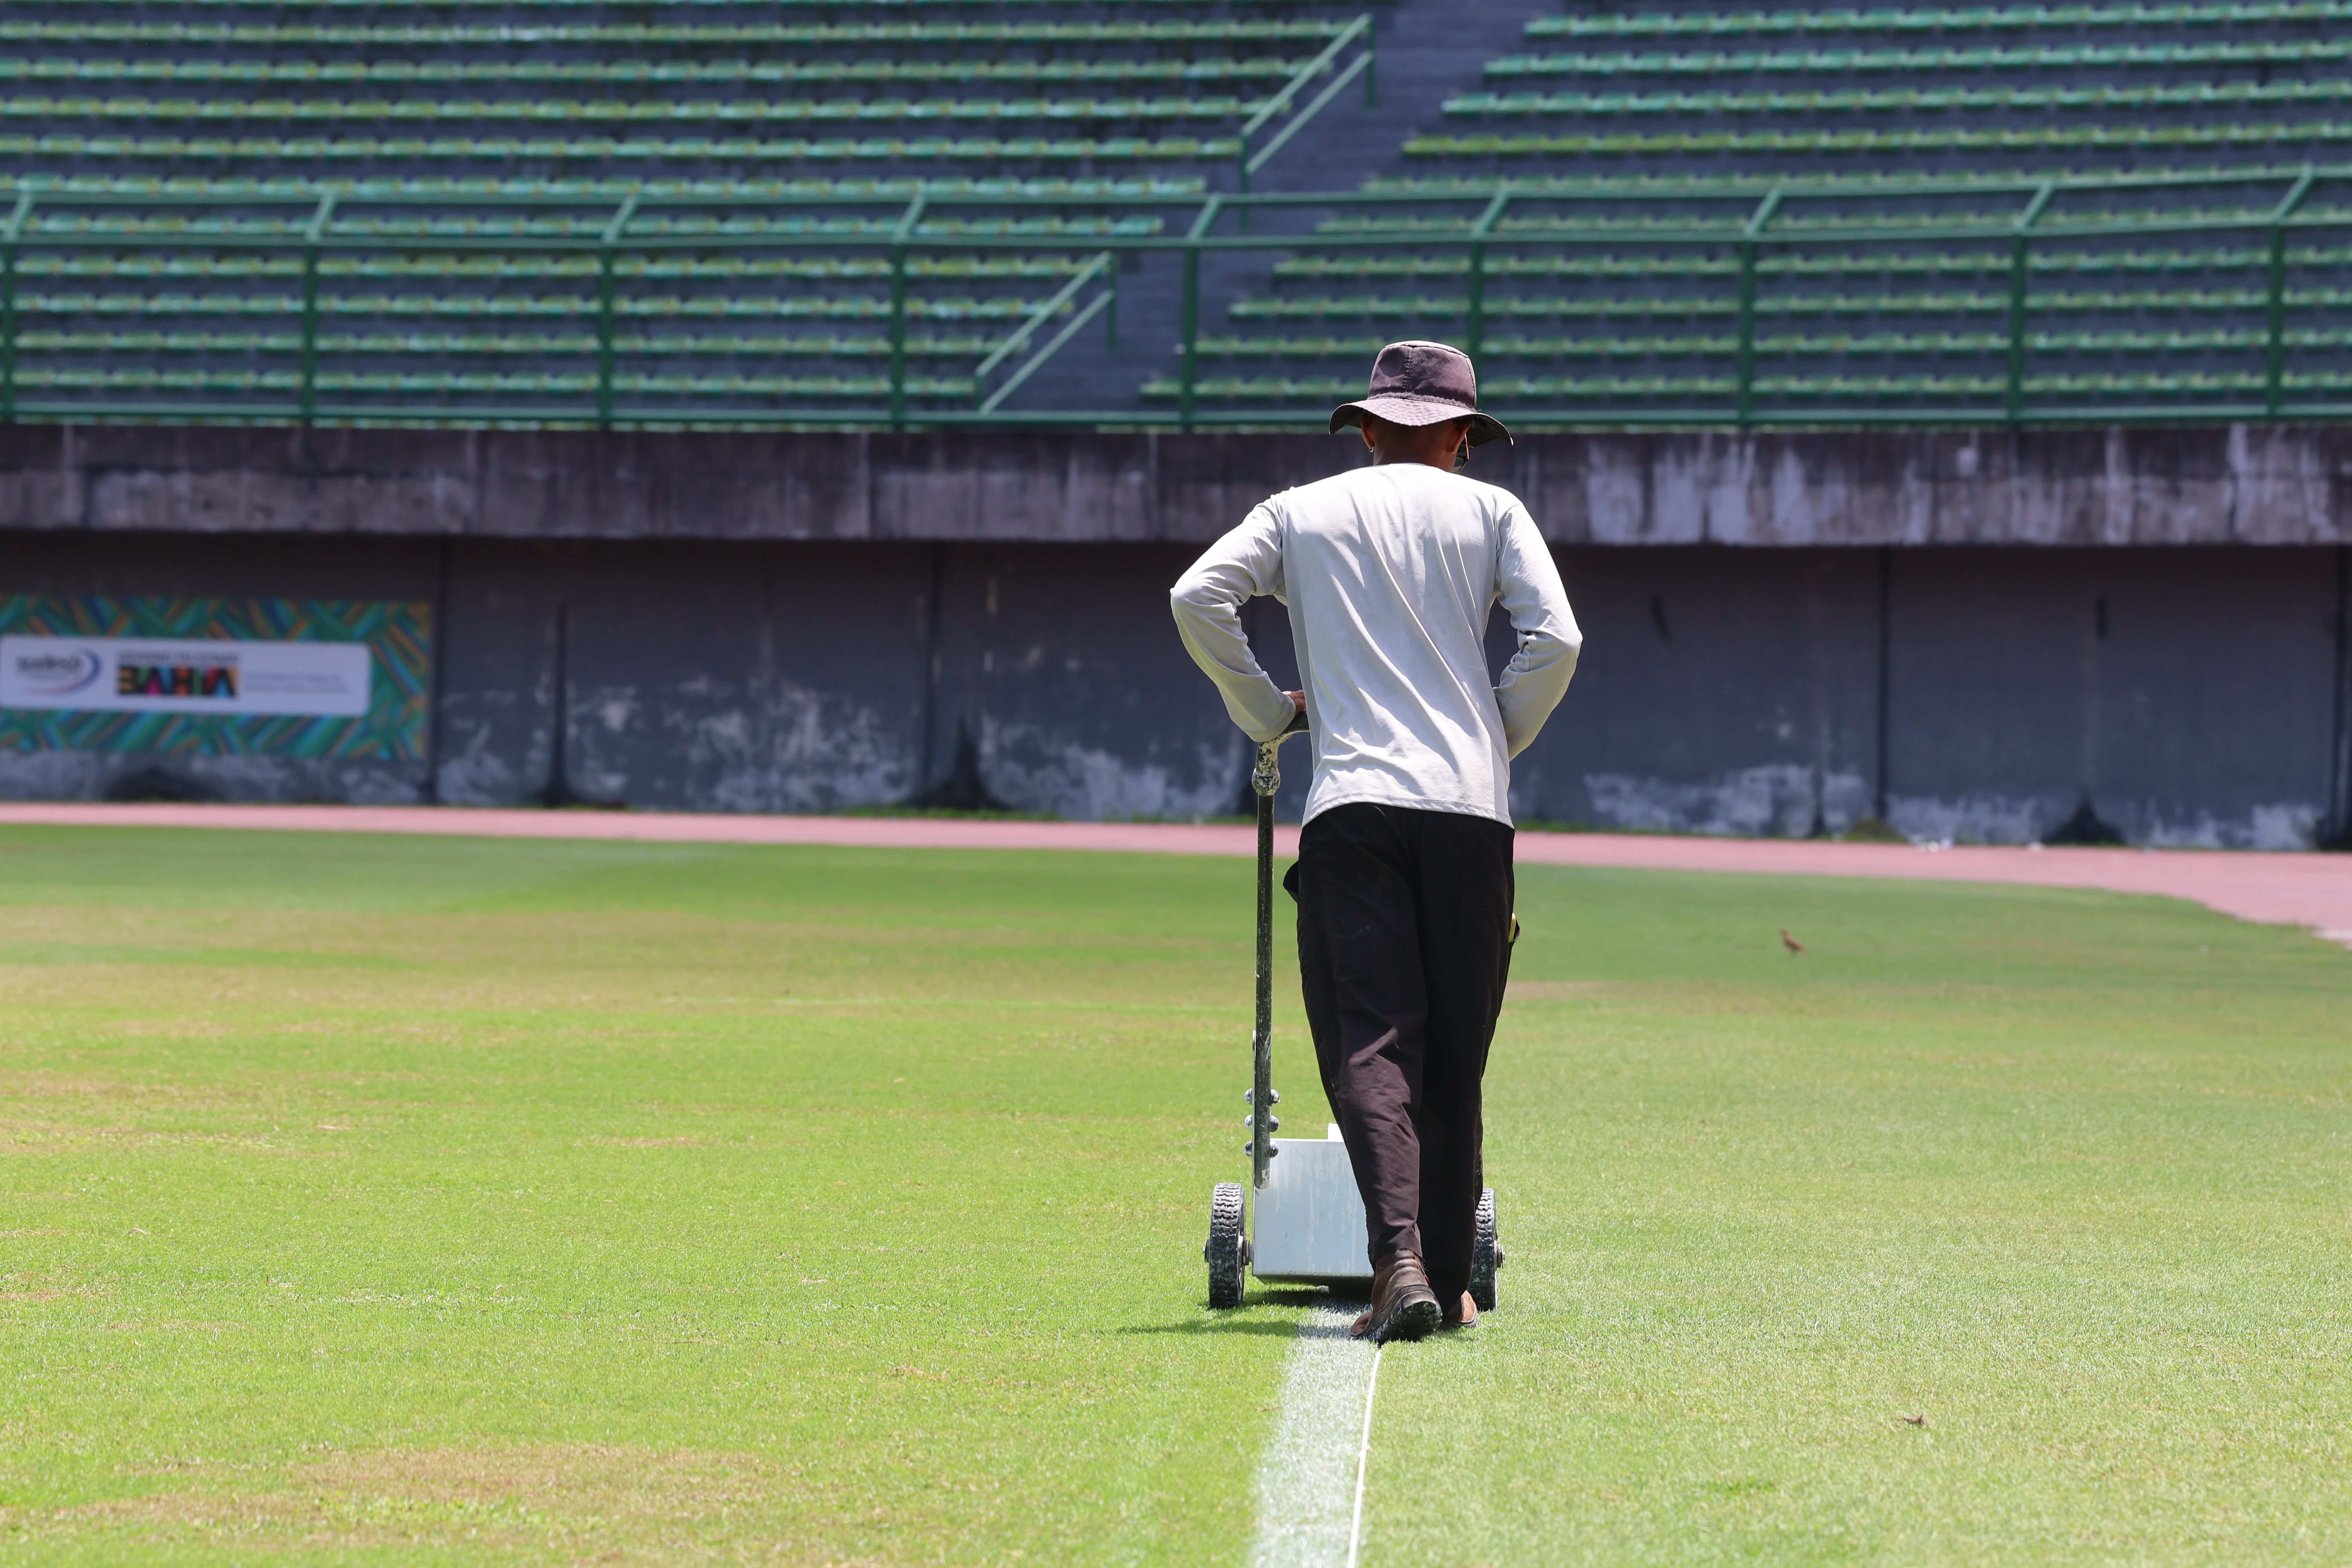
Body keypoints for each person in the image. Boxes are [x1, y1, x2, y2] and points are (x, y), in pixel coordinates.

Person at [1169, 340, 1582, 1344]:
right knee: (1455, 1050)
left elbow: (1198, 597)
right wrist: (1497, 729)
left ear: (1365, 429)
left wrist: (1268, 711)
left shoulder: (1299, 510)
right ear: (1459, 436)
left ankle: (1397, 1258)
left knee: (1370, 1038)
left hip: (1354, 803)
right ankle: (1446, 1271)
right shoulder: (1494, 512)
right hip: (1471, 812)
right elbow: (1556, 640)